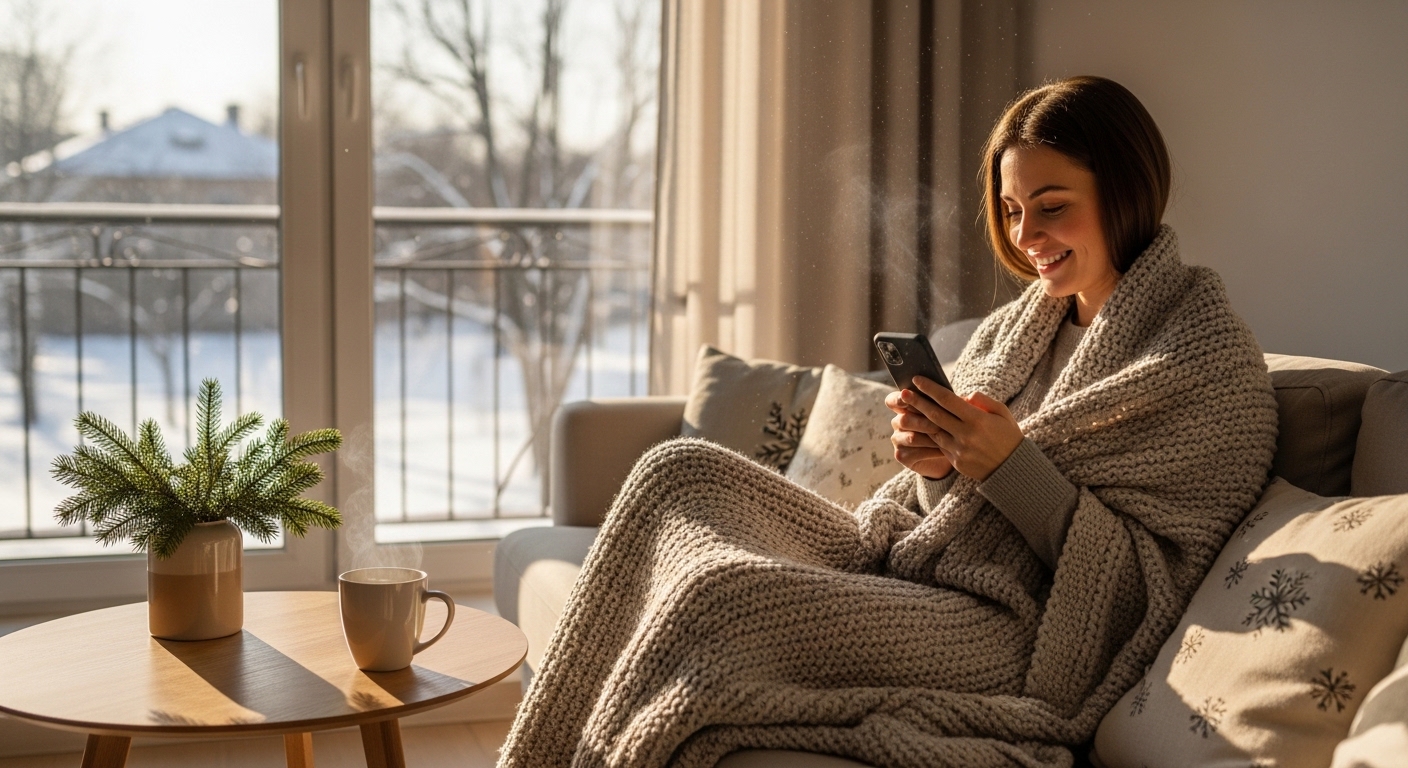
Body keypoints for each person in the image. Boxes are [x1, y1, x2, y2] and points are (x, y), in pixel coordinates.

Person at [498, 76, 1279, 768]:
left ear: (1127, 192)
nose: (1027, 238)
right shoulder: (1022, 325)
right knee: (676, 473)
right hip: (921, 567)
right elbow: (951, 514)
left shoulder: (1202, 361)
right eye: (1011, 211)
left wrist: (1008, 467)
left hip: (1019, 632)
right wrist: (937, 469)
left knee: (715, 598)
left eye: (1052, 207)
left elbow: (1153, 590)